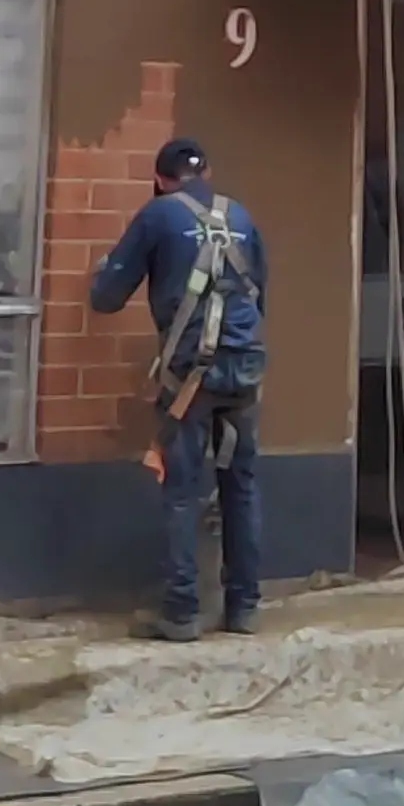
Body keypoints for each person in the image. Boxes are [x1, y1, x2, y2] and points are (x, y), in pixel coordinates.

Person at [90, 137, 267, 644]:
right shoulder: (244, 217)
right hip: (245, 369)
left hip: (192, 377)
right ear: (208, 172)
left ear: (161, 180)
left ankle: (183, 613)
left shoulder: (157, 215)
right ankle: (245, 607)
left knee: (183, 492)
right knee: (242, 485)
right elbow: (262, 296)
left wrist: (104, 271)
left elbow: (106, 298)